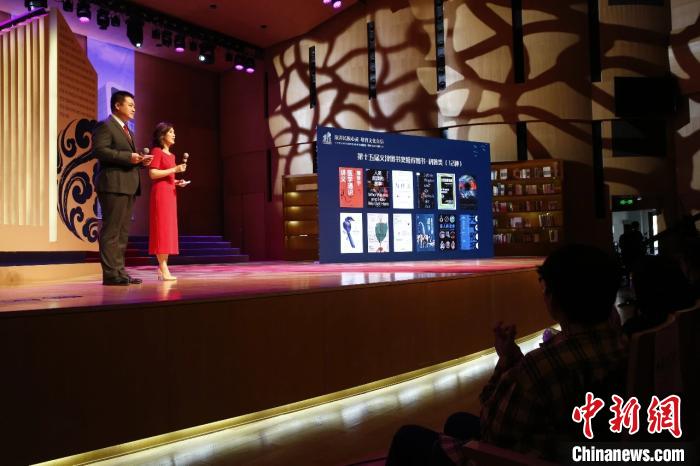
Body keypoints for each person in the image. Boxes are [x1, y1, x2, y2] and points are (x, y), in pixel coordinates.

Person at [386, 244, 627, 465]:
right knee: (457, 421)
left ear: (553, 300)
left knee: (407, 438)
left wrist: (506, 363)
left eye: (545, 289)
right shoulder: (623, 343)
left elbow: (492, 428)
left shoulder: (541, 366)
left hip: (519, 457)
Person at [92, 91, 153, 286]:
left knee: (123, 232)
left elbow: (127, 158)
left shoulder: (128, 131)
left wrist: (140, 161)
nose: (134, 108)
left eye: (134, 105)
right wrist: (128, 157)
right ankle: (111, 275)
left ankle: (120, 272)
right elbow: (99, 151)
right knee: (111, 231)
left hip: (128, 185)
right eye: (130, 105)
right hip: (113, 184)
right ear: (117, 106)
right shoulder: (105, 125)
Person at [148, 122, 188, 281]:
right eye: (170, 132)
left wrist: (178, 182)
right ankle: (163, 268)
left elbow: (168, 177)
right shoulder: (156, 151)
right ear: (162, 135)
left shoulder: (171, 156)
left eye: (174, 132)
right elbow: (153, 174)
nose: (174, 134)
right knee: (161, 229)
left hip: (170, 194)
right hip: (160, 194)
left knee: (168, 230)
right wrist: (174, 170)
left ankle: (161, 268)